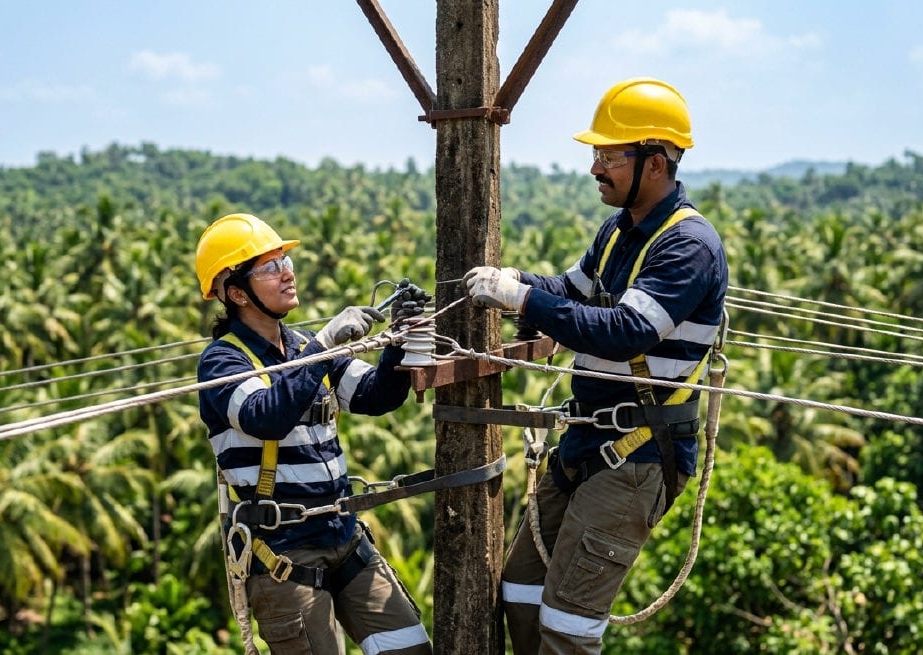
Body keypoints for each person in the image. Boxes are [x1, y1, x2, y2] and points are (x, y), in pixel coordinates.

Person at [464, 77, 728, 653]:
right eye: (597, 154)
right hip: (587, 442)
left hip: (638, 455)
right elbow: (575, 291)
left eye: (609, 155)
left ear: (655, 162)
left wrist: (525, 302)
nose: (595, 168)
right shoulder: (619, 232)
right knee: (521, 593)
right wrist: (522, 283)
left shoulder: (687, 247)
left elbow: (624, 333)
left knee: (569, 626)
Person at [195, 212, 432, 654]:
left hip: (343, 535)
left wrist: (398, 341)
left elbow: (373, 396)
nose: (287, 274)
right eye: (269, 268)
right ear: (235, 293)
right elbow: (266, 415)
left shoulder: (305, 347)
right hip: (284, 551)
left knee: (411, 647)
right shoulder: (222, 363)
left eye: (285, 261)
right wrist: (324, 347)